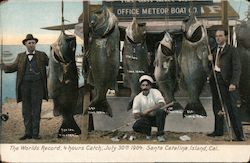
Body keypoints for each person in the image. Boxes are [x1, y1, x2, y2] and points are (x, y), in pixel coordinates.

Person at [0, 34, 49, 140]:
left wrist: (57, 50)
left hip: (38, 86)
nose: (31, 45)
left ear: (35, 44)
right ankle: (28, 133)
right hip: (24, 87)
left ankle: (35, 134)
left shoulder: (42, 55)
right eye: (29, 43)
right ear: (25, 44)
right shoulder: (20, 56)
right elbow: (12, 67)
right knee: (26, 110)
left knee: (36, 110)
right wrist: (2, 65)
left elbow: (53, 63)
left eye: (33, 43)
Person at [207, 29, 245, 141]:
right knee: (217, 108)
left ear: (225, 37)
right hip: (216, 81)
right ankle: (218, 131)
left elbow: (237, 68)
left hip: (228, 83)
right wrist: (210, 60)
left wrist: (234, 83)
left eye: (220, 36)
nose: (218, 38)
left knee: (232, 108)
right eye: (216, 36)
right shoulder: (214, 50)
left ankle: (239, 135)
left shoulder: (232, 50)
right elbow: (212, 67)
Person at [132, 75, 173, 142]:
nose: (145, 87)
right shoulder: (137, 98)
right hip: (146, 118)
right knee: (136, 126)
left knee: (161, 112)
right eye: (143, 85)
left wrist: (149, 110)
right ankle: (148, 133)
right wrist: (143, 114)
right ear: (140, 86)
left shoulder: (155, 92)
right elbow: (135, 115)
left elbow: (161, 103)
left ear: (150, 86)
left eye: (147, 85)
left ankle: (160, 135)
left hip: (157, 118)